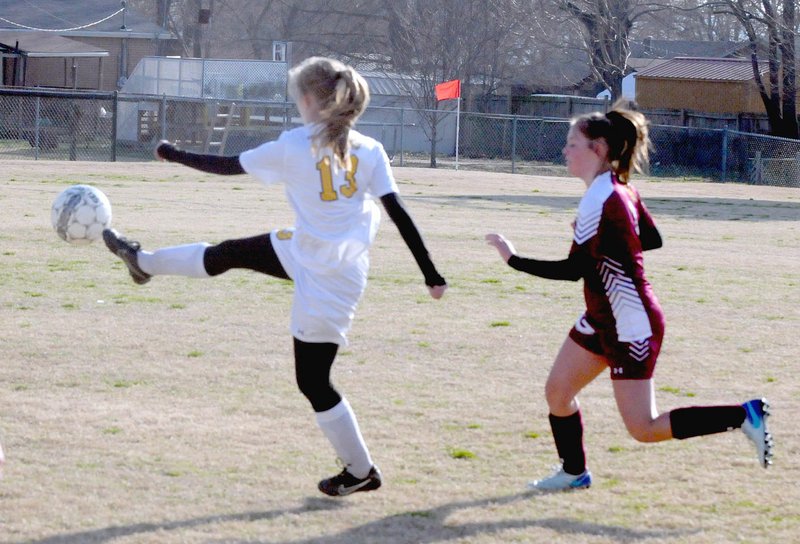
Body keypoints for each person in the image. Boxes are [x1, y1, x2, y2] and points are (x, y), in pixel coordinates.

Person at [103, 56, 447, 497]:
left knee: (313, 381)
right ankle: (142, 262)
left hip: (328, 278)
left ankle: (361, 471)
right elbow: (398, 213)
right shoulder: (370, 148)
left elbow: (228, 165)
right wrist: (431, 274)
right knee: (228, 253)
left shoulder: (294, 144)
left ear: (307, 100)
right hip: (312, 253)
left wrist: (171, 153)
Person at [485, 102, 772, 491]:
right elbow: (650, 239)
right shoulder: (619, 189)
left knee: (644, 428)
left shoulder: (603, 198)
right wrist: (606, 241)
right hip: (603, 316)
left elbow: (575, 270)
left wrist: (513, 260)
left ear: (599, 149)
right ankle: (573, 473)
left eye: (573, 144)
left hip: (630, 324)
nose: (565, 151)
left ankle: (743, 415)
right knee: (558, 392)